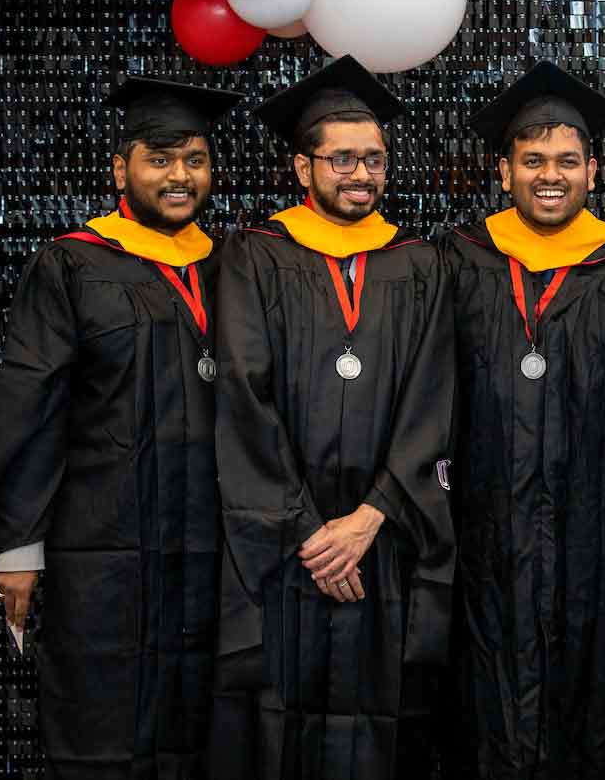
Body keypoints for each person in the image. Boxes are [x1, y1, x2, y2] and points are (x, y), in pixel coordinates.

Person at [0, 76, 243, 778]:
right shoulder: (73, 263)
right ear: (122, 168)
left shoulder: (235, 266)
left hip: (210, 541)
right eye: (161, 158)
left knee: (203, 714)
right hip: (102, 538)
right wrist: (17, 546)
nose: (180, 176)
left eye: (196, 160)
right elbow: (32, 403)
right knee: (103, 710)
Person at [210, 55, 456, 780]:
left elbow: (433, 397)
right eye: (342, 158)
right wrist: (308, 529)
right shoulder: (256, 254)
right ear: (302, 167)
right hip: (286, 548)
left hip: (380, 542)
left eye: (374, 159)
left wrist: (372, 515)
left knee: (379, 730)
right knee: (278, 724)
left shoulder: (418, 262)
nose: (361, 174)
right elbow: (241, 394)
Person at [441, 61, 605, 780]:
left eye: (567, 161)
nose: (550, 175)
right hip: (487, 530)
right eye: (532, 160)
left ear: (593, 171)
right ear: (503, 170)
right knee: (486, 698)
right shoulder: (459, 257)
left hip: (595, 532)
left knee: (589, 701)